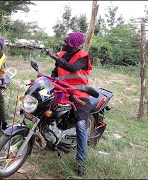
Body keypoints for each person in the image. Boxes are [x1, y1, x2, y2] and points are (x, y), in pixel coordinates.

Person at [46, 31, 92, 177]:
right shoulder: (61, 55)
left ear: (72, 45)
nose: (63, 43)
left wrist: (53, 56)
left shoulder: (83, 57)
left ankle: (81, 163)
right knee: (41, 107)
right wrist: (49, 82)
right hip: (61, 92)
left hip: (79, 95)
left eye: (66, 42)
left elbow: (71, 68)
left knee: (80, 126)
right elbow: (55, 72)